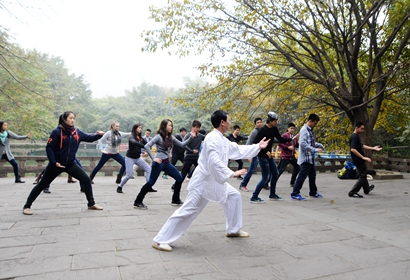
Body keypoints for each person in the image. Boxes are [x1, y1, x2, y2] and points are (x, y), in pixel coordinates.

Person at [151, 110, 270, 252]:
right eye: (229, 120)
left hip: (214, 180)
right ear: (222, 122)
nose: (230, 122)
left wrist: (257, 147)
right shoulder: (212, 138)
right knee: (189, 210)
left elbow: (237, 149)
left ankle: (233, 229)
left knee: (234, 196)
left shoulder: (222, 139)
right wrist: (232, 173)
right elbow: (214, 161)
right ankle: (160, 240)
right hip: (204, 181)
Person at [23, 111, 104, 215]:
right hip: (56, 164)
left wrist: (99, 135)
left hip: (70, 164)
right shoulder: (57, 132)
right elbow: (49, 148)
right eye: (70, 118)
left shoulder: (76, 132)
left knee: (86, 180)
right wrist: (53, 162)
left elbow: (89, 138)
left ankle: (91, 204)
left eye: (74, 118)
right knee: (42, 184)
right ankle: (27, 206)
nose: (72, 120)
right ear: (64, 119)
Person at [133, 119, 195, 209]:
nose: (171, 127)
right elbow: (147, 146)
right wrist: (153, 158)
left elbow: (182, 145)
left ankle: (175, 199)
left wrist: (191, 138)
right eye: (169, 125)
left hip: (166, 162)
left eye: (171, 125)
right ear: (164, 126)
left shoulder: (171, 137)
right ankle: (138, 201)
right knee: (151, 182)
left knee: (179, 178)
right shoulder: (158, 137)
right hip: (158, 163)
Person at [250, 112, 294, 203]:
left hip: (269, 156)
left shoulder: (274, 129)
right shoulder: (262, 130)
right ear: (269, 121)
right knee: (265, 177)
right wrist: (265, 151)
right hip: (262, 156)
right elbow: (256, 143)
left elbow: (280, 139)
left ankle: (272, 194)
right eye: (275, 121)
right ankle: (254, 197)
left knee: (275, 173)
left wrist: (291, 139)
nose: (276, 122)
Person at [290, 114, 324, 201]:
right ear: (310, 121)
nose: (315, 125)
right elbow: (303, 143)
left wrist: (319, 145)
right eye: (314, 123)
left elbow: (310, 143)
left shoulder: (310, 130)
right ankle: (295, 193)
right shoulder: (304, 130)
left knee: (312, 175)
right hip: (306, 158)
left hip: (310, 158)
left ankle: (313, 192)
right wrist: (315, 150)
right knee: (302, 175)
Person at [348, 121, 382, 198]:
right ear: (356, 127)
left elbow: (362, 146)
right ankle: (352, 192)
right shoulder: (354, 137)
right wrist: (363, 157)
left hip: (359, 160)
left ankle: (366, 189)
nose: (363, 131)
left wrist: (373, 148)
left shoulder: (357, 136)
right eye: (362, 129)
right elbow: (353, 149)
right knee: (362, 176)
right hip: (358, 160)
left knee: (363, 174)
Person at [171, 120, 205, 190]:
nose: (197, 129)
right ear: (192, 127)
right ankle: (175, 186)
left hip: (196, 158)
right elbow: (183, 145)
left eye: (199, 127)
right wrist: (192, 151)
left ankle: (200, 187)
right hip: (189, 157)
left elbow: (208, 138)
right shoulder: (188, 135)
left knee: (202, 171)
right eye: (196, 127)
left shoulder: (200, 136)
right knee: (183, 174)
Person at [117, 123, 151, 193]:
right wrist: (143, 146)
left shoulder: (141, 138)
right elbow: (134, 142)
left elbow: (147, 144)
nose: (140, 129)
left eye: (141, 128)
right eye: (139, 128)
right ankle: (120, 187)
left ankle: (148, 186)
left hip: (138, 158)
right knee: (129, 175)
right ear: (135, 128)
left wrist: (148, 147)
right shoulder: (131, 136)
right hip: (130, 158)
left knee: (149, 169)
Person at [239, 117, 263, 192]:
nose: (259, 124)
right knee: (252, 169)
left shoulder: (261, 131)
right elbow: (249, 143)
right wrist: (250, 156)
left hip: (258, 153)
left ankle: (265, 184)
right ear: (255, 124)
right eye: (258, 122)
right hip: (253, 153)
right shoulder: (254, 132)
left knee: (265, 169)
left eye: (260, 122)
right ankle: (243, 185)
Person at [277, 123, 300, 188]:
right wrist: (288, 147)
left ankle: (292, 182)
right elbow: (280, 143)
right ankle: (273, 182)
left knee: (297, 168)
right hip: (285, 156)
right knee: (281, 170)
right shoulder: (285, 135)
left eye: (293, 128)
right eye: (291, 128)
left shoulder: (294, 136)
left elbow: (296, 145)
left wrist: (299, 142)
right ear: (288, 129)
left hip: (292, 156)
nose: (292, 130)